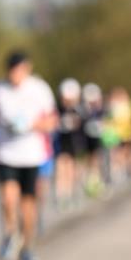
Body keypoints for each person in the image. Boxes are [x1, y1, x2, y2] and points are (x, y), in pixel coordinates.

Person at [0, 50, 56, 260]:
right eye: (12, 70)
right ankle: (10, 234)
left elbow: (52, 121)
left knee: (28, 204)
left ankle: (28, 248)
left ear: (27, 69)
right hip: (6, 153)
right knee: (8, 198)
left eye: (19, 70)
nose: (15, 75)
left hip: (31, 155)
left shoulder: (39, 89)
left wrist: (29, 125)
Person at [54, 78, 85, 211]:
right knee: (61, 169)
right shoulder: (57, 110)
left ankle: (70, 194)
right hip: (60, 143)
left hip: (73, 144)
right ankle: (61, 195)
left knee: (71, 169)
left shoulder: (78, 110)